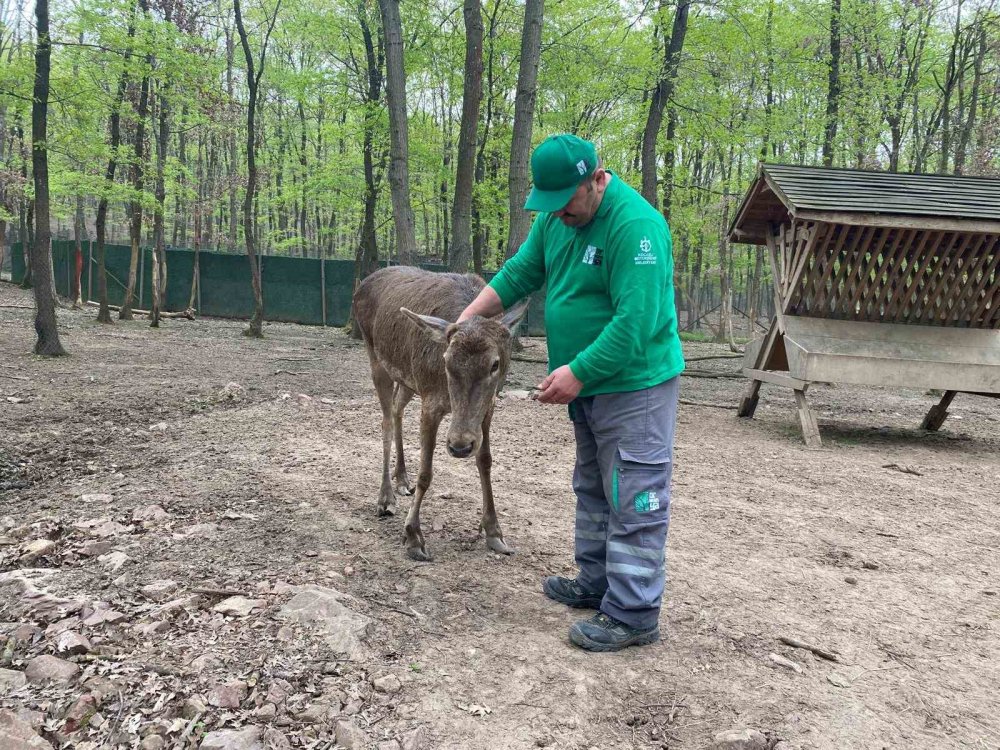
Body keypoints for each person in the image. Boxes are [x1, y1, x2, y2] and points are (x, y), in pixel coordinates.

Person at [458, 133, 684, 652]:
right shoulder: (556, 218)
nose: (558, 214)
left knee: (634, 492)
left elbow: (635, 323)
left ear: (595, 180)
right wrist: (467, 319)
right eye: (549, 205)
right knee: (592, 484)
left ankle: (633, 613)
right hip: (587, 386)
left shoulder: (637, 227)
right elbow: (519, 273)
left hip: (635, 385)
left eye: (566, 203)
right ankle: (596, 583)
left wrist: (577, 372)